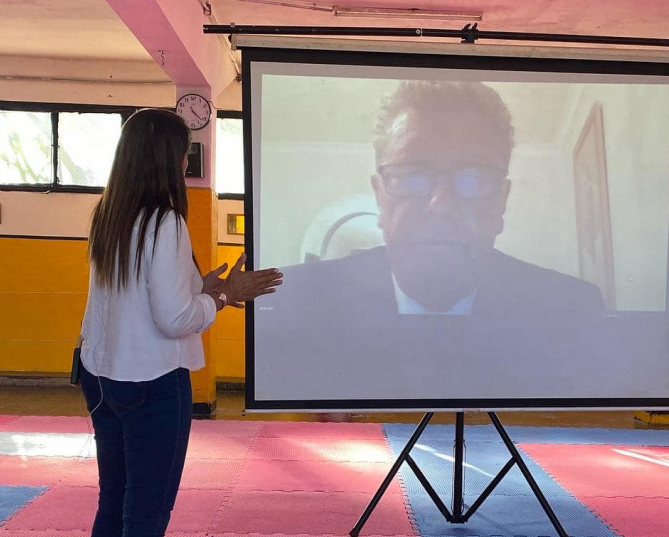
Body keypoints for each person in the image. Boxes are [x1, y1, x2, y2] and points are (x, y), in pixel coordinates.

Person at [78, 108, 281, 537]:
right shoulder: (164, 221)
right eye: (184, 151)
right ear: (166, 158)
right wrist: (225, 297)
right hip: (150, 383)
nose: (187, 161)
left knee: (114, 505)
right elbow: (173, 319)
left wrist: (206, 287)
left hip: (102, 376)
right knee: (144, 519)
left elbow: (143, 297)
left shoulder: (111, 214)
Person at [256, 80, 608, 399]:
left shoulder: (571, 312)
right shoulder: (296, 301)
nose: (441, 205)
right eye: (412, 175)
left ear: (501, 201)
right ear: (379, 196)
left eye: (473, 179)